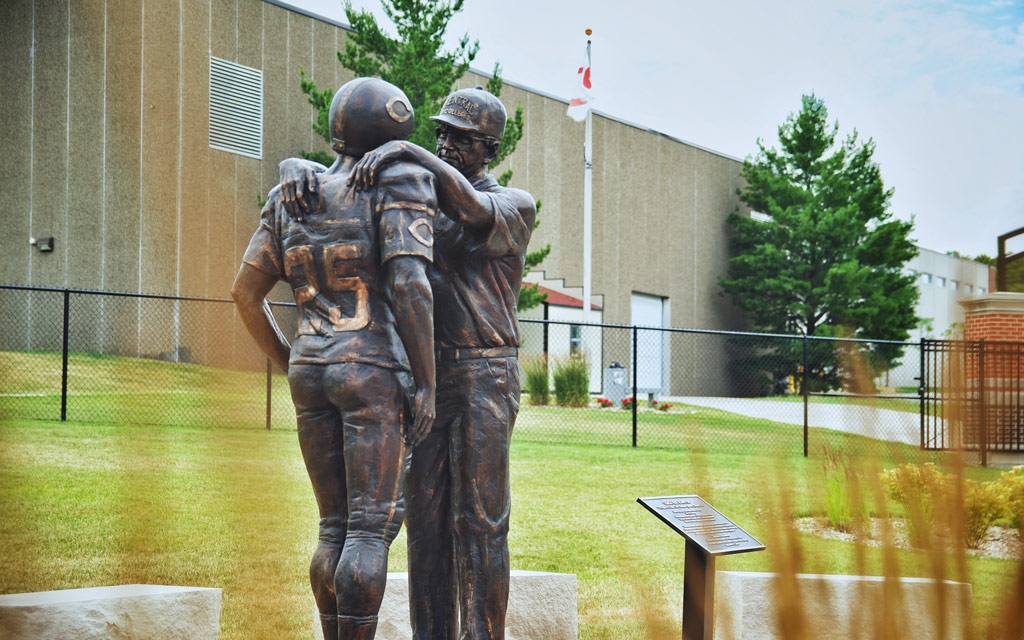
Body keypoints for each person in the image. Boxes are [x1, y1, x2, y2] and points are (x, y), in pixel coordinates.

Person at [281, 86, 535, 640]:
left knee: (480, 523)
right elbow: (340, 189)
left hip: (483, 375)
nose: (445, 146)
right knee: (423, 523)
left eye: (462, 141)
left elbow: (470, 207)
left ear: (490, 149)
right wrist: (295, 165)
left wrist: (408, 150)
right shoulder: (416, 199)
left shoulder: (515, 205)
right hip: (424, 376)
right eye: (440, 134)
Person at [231, 77, 438, 640]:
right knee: (369, 532)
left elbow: (245, 294)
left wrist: (291, 358)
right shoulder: (395, 181)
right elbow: (411, 283)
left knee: (332, 529)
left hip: (312, 368)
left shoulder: (291, 194)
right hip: (370, 365)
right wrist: (427, 381)